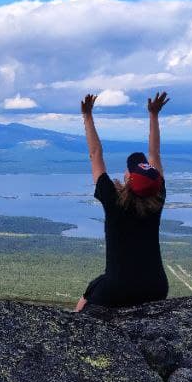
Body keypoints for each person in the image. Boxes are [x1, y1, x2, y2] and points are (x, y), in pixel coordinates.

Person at [74, 91, 170, 311]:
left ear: (128, 178)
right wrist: (154, 115)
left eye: (129, 170)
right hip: (156, 287)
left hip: (117, 287)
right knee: (96, 284)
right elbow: (155, 153)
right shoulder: (158, 198)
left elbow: (95, 154)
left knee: (85, 302)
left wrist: (87, 115)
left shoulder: (113, 199)